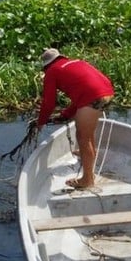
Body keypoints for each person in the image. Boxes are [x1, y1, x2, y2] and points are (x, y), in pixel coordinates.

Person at [36, 48, 115, 189]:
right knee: (88, 134)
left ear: (46, 65)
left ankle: (87, 180)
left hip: (92, 97)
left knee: (82, 137)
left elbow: (49, 102)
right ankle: (87, 154)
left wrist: (41, 122)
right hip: (107, 91)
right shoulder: (76, 62)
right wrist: (65, 115)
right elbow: (82, 92)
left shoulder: (52, 71)